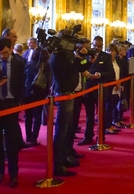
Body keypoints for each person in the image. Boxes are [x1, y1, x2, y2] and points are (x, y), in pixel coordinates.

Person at [49, 31, 91, 177]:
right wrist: (79, 58)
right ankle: (58, 164)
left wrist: (83, 58)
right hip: (64, 94)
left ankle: (65, 157)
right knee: (61, 132)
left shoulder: (66, 56)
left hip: (69, 93)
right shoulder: (58, 56)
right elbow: (73, 69)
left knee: (67, 130)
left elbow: (81, 67)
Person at [0, 37, 25, 188]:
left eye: (5, 53)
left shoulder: (19, 63)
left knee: (11, 142)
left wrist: (20, 100)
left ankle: (14, 174)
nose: (2, 56)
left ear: (10, 49)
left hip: (11, 104)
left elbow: (22, 82)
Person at [79, 36, 114, 146]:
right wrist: (88, 62)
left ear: (102, 46)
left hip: (101, 89)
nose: (96, 48)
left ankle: (101, 136)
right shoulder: (87, 55)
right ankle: (88, 136)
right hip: (89, 88)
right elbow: (81, 67)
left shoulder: (106, 57)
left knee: (101, 114)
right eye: (95, 46)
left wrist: (99, 75)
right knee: (89, 115)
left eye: (99, 46)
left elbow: (110, 73)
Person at [23, 47, 51, 147]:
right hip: (39, 93)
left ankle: (28, 136)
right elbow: (49, 81)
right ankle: (34, 138)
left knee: (28, 116)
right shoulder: (47, 65)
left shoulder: (28, 64)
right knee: (37, 116)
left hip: (27, 93)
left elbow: (23, 78)